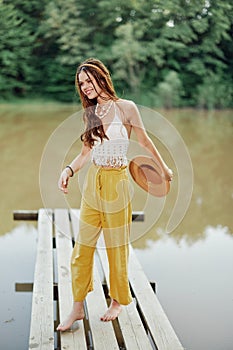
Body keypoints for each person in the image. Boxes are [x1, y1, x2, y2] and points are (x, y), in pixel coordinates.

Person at [57, 58, 173, 331]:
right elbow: (85, 153)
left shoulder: (127, 108)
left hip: (118, 184)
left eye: (88, 80)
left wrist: (164, 168)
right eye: (81, 84)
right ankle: (76, 308)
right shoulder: (90, 114)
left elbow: (144, 141)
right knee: (81, 250)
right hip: (93, 184)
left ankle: (117, 300)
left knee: (116, 249)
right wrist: (68, 170)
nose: (84, 87)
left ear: (102, 78)